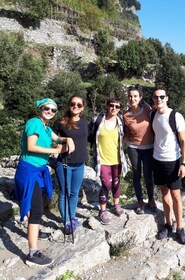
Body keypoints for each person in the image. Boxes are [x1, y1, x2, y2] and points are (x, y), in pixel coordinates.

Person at [14, 98, 75, 266]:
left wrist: (66, 140)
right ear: (40, 108)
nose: (49, 111)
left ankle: (33, 230)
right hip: (29, 171)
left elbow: (57, 138)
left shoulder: (47, 129)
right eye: (46, 108)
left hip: (38, 171)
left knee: (36, 204)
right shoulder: (34, 122)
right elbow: (31, 146)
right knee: (37, 210)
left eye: (53, 110)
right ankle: (32, 253)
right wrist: (55, 150)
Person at [151, 85, 185, 244]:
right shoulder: (153, 114)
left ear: (167, 98)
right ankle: (168, 224)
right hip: (157, 159)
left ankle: (180, 228)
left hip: (173, 161)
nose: (158, 100)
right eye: (155, 97)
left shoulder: (175, 116)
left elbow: (184, 141)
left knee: (176, 196)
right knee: (164, 193)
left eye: (161, 97)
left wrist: (184, 163)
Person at [90, 97, 128, 225]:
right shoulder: (98, 120)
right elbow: (90, 136)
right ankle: (102, 210)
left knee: (116, 183)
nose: (114, 108)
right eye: (112, 105)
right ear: (107, 106)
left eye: (117, 106)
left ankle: (116, 204)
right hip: (103, 160)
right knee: (106, 184)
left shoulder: (120, 122)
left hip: (117, 159)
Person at [53, 96, 88, 234]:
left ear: (83, 107)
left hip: (80, 163)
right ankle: (66, 221)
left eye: (79, 104)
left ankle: (72, 217)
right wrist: (65, 139)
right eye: (73, 104)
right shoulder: (60, 122)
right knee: (65, 193)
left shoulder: (85, 122)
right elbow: (51, 138)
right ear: (68, 105)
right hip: (64, 163)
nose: (76, 106)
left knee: (74, 193)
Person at [123, 85, 156, 214]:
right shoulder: (126, 115)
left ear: (140, 97)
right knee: (137, 175)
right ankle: (140, 202)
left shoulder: (147, 108)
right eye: (130, 96)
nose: (132, 98)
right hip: (133, 148)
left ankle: (151, 200)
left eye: (135, 96)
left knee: (148, 175)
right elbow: (125, 132)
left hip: (149, 147)